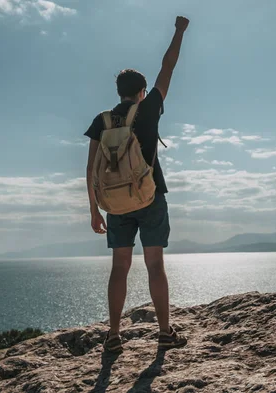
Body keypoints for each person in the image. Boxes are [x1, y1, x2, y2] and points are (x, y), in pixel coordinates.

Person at [84, 16, 190, 353]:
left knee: (119, 268)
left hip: (114, 204)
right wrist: (179, 32)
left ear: (118, 93)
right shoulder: (149, 109)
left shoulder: (102, 121)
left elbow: (90, 169)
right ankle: (164, 333)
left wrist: (93, 211)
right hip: (149, 197)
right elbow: (167, 67)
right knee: (155, 264)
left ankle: (113, 336)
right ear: (142, 92)